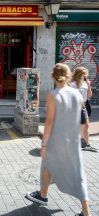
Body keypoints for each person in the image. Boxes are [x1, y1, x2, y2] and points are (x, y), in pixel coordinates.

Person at [26, 63, 91, 216]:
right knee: (77, 174)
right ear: (68, 76)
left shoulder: (53, 95)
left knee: (47, 163)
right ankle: (86, 212)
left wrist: (44, 144)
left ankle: (43, 195)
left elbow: (49, 122)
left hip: (56, 141)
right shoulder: (76, 94)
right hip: (73, 141)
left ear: (53, 76)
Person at [70, 67, 96, 151]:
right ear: (81, 74)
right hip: (76, 106)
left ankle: (86, 143)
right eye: (86, 73)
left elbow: (89, 95)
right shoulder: (73, 84)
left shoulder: (85, 83)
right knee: (80, 124)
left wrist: (88, 85)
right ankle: (81, 143)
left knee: (86, 124)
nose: (88, 75)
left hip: (85, 105)